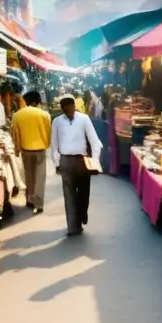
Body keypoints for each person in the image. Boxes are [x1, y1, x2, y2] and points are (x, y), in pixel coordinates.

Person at [50, 95, 102, 236]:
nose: (69, 111)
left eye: (70, 107)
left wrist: (95, 160)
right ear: (62, 109)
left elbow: (94, 140)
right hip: (66, 161)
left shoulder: (84, 119)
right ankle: (73, 227)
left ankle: (82, 212)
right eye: (65, 109)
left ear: (74, 106)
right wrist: (56, 162)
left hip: (82, 161)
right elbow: (54, 144)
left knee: (84, 192)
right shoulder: (57, 122)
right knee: (69, 195)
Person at [11, 90, 52, 214]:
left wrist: (17, 149)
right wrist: (47, 145)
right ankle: (39, 204)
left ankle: (30, 200)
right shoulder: (45, 115)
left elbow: (15, 134)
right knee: (40, 176)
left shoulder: (17, 115)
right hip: (40, 149)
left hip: (26, 149)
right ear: (35, 102)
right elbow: (48, 132)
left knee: (29, 176)